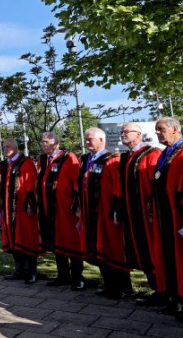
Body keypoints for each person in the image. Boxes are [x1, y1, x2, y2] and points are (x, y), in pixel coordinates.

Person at [79, 127, 132, 299]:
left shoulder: (112, 160)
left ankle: (123, 287)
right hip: (94, 213)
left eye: (90, 139)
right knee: (100, 248)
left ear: (102, 140)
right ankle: (109, 284)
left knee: (114, 248)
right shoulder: (89, 160)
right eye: (86, 139)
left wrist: (116, 208)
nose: (87, 142)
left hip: (108, 214)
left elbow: (117, 186)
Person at [118, 123, 164, 305]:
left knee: (154, 250)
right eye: (121, 132)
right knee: (142, 251)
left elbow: (157, 185)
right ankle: (156, 289)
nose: (122, 134)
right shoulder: (126, 157)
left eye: (126, 132)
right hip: (132, 214)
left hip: (149, 215)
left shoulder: (152, 155)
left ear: (138, 134)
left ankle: (164, 290)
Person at [36, 132, 85, 290]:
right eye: (43, 142)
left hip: (66, 209)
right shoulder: (42, 160)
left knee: (72, 242)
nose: (45, 145)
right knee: (56, 242)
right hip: (48, 208)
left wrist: (76, 204)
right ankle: (63, 275)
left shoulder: (69, 157)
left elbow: (77, 181)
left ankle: (78, 277)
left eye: (48, 142)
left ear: (56, 143)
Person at [0, 138, 42, 284]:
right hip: (8, 210)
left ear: (16, 148)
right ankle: (19, 270)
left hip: (23, 209)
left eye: (9, 146)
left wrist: (30, 203)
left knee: (27, 237)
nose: (6, 148)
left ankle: (31, 272)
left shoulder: (26, 162)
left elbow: (31, 183)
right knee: (12, 239)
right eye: (4, 147)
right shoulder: (3, 165)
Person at [151, 117, 183, 320]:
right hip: (166, 215)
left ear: (174, 129)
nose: (157, 133)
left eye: (161, 129)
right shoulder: (166, 153)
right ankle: (175, 298)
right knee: (170, 257)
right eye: (156, 130)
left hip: (178, 216)